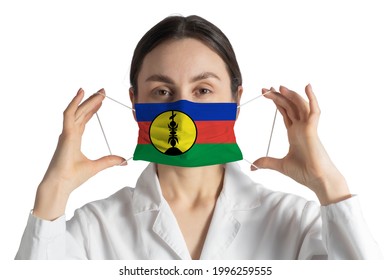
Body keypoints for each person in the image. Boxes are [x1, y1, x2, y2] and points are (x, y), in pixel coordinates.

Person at [15, 15, 382, 260]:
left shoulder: (295, 222)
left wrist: (328, 184)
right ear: (135, 102)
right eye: (161, 91)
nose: (182, 107)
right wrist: (54, 191)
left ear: (236, 100)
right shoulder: (94, 229)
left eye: (203, 90)